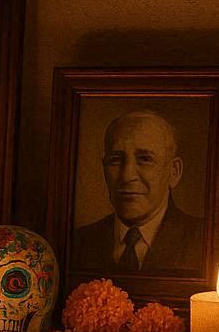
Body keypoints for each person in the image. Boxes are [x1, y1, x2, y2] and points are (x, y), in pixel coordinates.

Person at [71, 109, 204, 275]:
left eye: (145, 159)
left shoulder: (204, 242)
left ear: (173, 172)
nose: (127, 176)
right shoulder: (78, 243)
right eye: (116, 160)